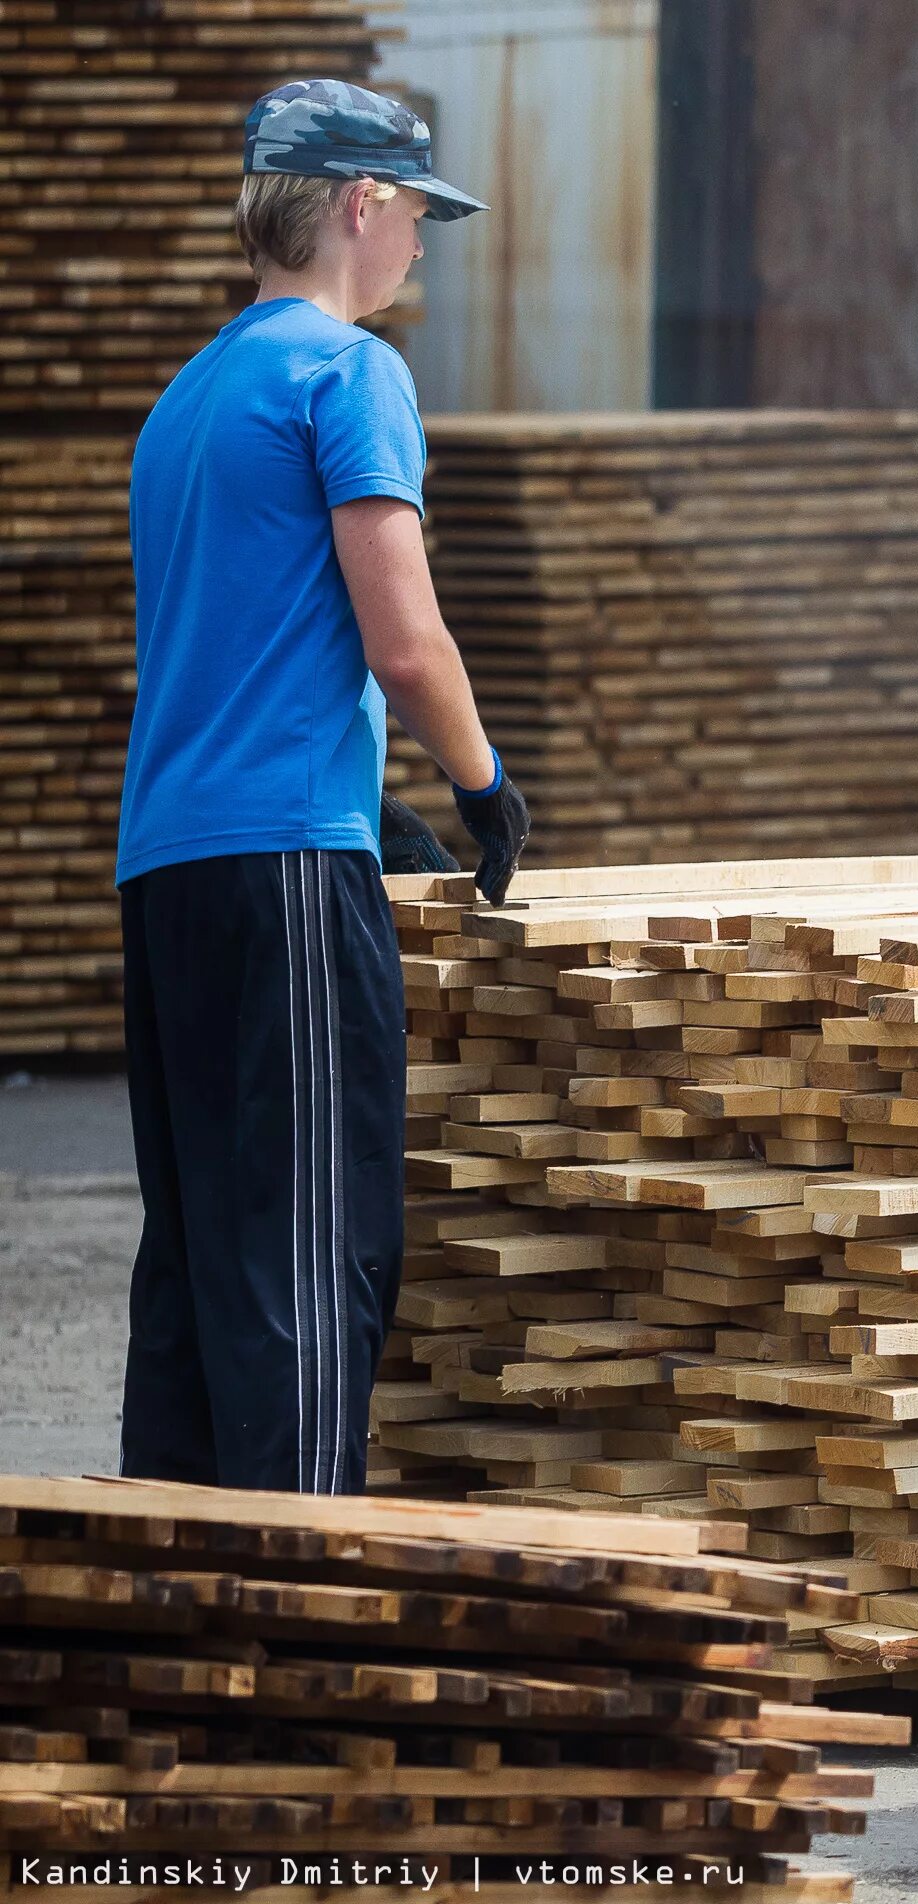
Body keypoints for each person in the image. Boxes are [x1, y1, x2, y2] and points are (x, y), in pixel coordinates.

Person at [116, 79, 530, 1493]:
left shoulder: (185, 402)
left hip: (168, 872)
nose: (421, 243)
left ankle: (161, 1616)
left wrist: (368, 801)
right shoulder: (349, 377)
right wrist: (477, 786)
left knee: (197, 1265)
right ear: (360, 203)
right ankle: (290, 1648)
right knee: (307, 1250)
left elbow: (235, 644)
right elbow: (403, 643)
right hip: (284, 870)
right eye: (417, 212)